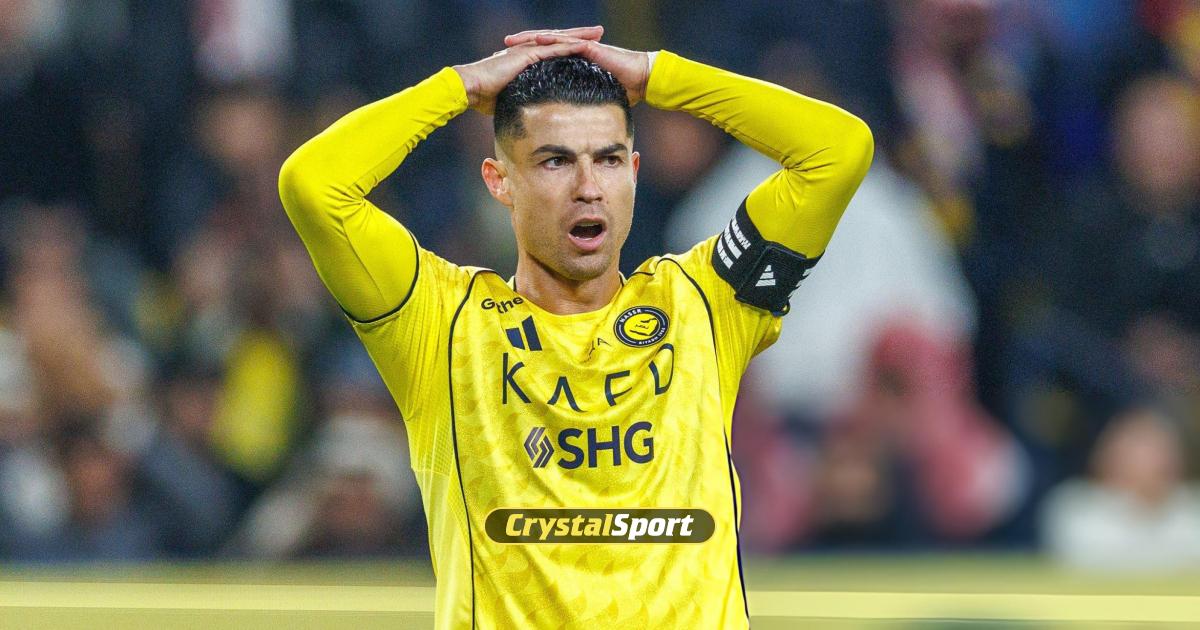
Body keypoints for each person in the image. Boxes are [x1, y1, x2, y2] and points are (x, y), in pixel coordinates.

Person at [279, 25, 872, 629]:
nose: (589, 189)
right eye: (555, 161)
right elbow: (315, 185)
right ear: (499, 180)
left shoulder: (702, 303)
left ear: (634, 171)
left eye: (608, 159)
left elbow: (838, 151)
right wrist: (462, 87)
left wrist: (660, 76)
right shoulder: (441, 321)